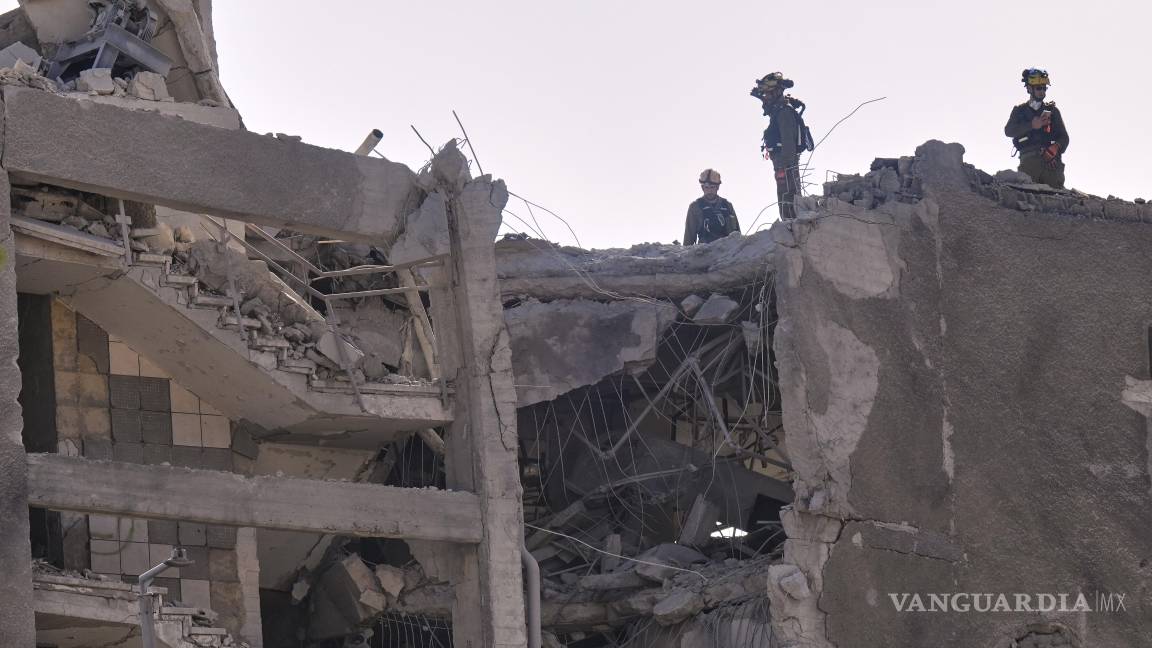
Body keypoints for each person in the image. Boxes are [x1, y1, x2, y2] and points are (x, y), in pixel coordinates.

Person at [752, 72, 811, 220]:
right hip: (782, 165)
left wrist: (786, 168)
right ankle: (789, 223)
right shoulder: (778, 111)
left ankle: (792, 224)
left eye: (767, 94)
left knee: (788, 196)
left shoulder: (784, 113)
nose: (765, 98)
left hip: (785, 165)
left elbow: (789, 145)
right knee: (784, 195)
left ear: (777, 92)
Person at [1004, 68, 1070, 189]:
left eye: (1044, 88)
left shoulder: (1053, 111)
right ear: (1029, 89)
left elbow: (1064, 137)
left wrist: (1055, 148)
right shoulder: (1019, 111)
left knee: (1056, 196)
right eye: (1039, 88)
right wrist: (1031, 125)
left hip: (1051, 164)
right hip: (1028, 161)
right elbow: (1008, 131)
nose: (1042, 92)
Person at [683, 169, 740, 245]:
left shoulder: (727, 205)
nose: (709, 191)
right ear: (702, 188)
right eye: (707, 187)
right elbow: (689, 237)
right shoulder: (695, 207)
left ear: (717, 187)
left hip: (728, 251)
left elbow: (737, 234)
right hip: (705, 252)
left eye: (712, 187)